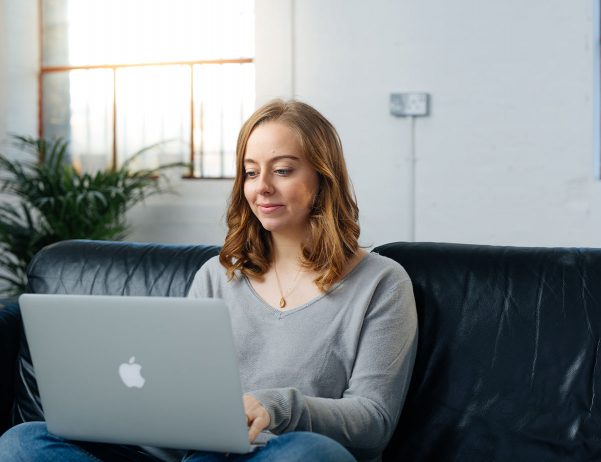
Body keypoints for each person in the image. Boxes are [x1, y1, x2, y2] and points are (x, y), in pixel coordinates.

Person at [0, 99, 418, 462]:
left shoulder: (381, 283)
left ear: (323, 179)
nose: (263, 188)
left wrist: (277, 406)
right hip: (191, 455)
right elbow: (179, 390)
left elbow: (373, 420)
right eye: (251, 173)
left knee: (312, 456)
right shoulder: (218, 276)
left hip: (276, 452)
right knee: (24, 442)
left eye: (284, 170)